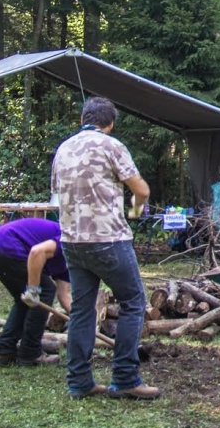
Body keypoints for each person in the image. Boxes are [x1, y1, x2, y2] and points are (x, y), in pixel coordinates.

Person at [50, 96, 159, 400]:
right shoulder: (112, 146)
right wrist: (135, 212)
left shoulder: (63, 149)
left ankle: (79, 382)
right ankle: (125, 378)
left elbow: (57, 194)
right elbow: (141, 190)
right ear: (110, 123)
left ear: (82, 119)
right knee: (133, 301)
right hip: (108, 238)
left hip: (72, 242)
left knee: (82, 310)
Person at [0, 217, 71, 367]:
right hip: (4, 244)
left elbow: (64, 296)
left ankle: (4, 352)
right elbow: (36, 252)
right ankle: (30, 353)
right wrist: (33, 290)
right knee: (44, 291)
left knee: (24, 301)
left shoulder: (68, 263)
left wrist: (82, 319)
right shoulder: (70, 240)